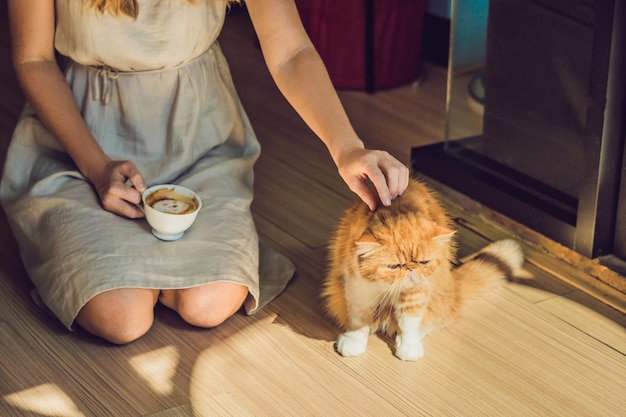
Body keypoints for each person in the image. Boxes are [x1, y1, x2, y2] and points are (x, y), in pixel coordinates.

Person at [1, 0, 410, 344]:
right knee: (120, 319)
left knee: (209, 305)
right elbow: (32, 58)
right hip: (83, 136)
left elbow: (290, 50)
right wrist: (94, 165)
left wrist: (347, 147)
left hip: (199, 136)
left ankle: (145, 266)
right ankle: (128, 266)